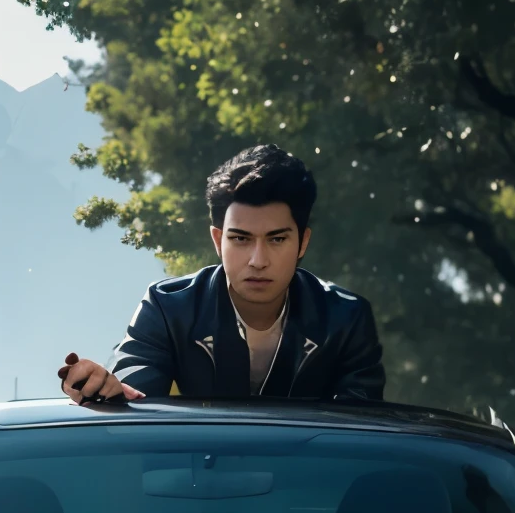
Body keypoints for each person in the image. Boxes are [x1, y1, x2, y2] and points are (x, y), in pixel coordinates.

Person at [59, 144, 384, 406]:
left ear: (303, 242)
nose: (258, 261)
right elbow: (134, 394)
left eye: (277, 239)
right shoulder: (169, 307)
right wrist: (107, 391)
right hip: (199, 480)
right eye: (241, 239)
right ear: (218, 240)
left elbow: (362, 429)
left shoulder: (345, 318)